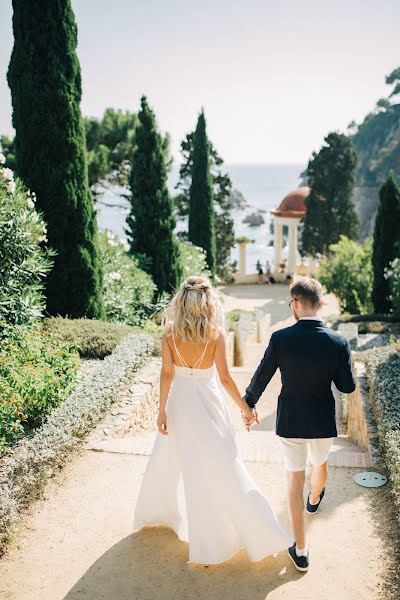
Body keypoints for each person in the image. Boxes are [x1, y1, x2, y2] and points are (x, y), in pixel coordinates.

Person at [133, 275, 293, 565]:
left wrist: (161, 410)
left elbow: (167, 374)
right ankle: (253, 528)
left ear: (181, 301)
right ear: (208, 301)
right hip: (209, 403)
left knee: (177, 462)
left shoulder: (169, 334)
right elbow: (225, 379)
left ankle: (163, 513)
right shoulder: (215, 334)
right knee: (225, 462)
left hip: (180, 403)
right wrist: (246, 408)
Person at [242, 276, 356, 572]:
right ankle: (316, 496)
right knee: (319, 466)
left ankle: (302, 551)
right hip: (321, 423)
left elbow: (262, 376)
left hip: (291, 421)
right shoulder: (338, 342)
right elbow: (347, 387)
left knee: (294, 480)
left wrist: (248, 404)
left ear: (295, 304)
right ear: (320, 304)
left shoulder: (281, 338)